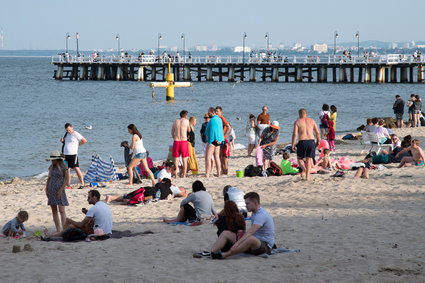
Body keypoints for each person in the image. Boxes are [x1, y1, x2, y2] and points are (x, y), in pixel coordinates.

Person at [210, 192, 275, 259]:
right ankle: (211, 253)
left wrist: (237, 243)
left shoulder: (261, 215)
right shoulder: (254, 212)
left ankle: (225, 255)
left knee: (251, 238)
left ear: (255, 203)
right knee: (226, 233)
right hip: (253, 243)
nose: (246, 206)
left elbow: (250, 232)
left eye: (247, 203)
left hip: (265, 247)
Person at [292, 108, 321, 181]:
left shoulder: (297, 122)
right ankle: (307, 177)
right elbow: (317, 132)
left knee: (299, 158)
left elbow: (295, 134)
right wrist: (318, 141)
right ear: (306, 114)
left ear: (299, 114)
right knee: (309, 159)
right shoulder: (312, 121)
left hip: (302, 141)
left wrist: (293, 144)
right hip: (311, 141)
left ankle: (304, 169)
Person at [45, 150, 69, 233]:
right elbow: (49, 178)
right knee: (54, 210)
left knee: (62, 209)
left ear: (58, 159)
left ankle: (64, 228)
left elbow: (67, 180)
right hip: (51, 189)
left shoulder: (64, 167)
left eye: (53, 159)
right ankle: (58, 229)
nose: (52, 161)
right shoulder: (51, 167)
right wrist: (46, 189)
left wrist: (61, 189)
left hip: (60, 189)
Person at [60, 123, 87, 189]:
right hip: (66, 155)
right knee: (67, 170)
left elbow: (84, 141)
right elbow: (67, 143)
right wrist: (62, 141)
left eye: (69, 130)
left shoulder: (75, 133)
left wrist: (78, 145)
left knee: (76, 168)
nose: (68, 131)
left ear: (72, 127)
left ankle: (82, 183)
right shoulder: (66, 134)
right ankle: (68, 185)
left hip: (73, 154)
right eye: (67, 130)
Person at [105, 178, 175, 204]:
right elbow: (169, 198)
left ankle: (111, 197)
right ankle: (127, 200)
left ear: (164, 181)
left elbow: (154, 187)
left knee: (130, 195)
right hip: (150, 197)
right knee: (139, 199)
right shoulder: (170, 191)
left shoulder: (159, 184)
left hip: (147, 189)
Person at [204, 107, 224, 178]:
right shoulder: (219, 119)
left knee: (208, 158)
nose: (208, 114)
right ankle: (219, 173)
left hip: (212, 140)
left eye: (209, 113)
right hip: (219, 140)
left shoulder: (211, 120)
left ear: (212, 113)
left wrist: (208, 141)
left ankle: (207, 174)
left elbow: (207, 132)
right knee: (217, 157)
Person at [171, 110, 190, 178]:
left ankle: (176, 174)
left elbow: (172, 132)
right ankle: (184, 175)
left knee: (176, 160)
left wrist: (174, 137)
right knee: (184, 159)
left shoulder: (175, 121)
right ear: (185, 115)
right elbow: (189, 130)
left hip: (176, 141)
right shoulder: (186, 121)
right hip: (183, 141)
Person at [216, 106, 231, 175]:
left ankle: (224, 171)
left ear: (221, 112)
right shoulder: (217, 119)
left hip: (223, 140)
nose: (216, 112)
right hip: (220, 139)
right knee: (220, 156)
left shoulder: (222, 118)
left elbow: (228, 126)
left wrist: (224, 135)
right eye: (216, 111)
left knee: (223, 156)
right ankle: (222, 171)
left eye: (218, 111)